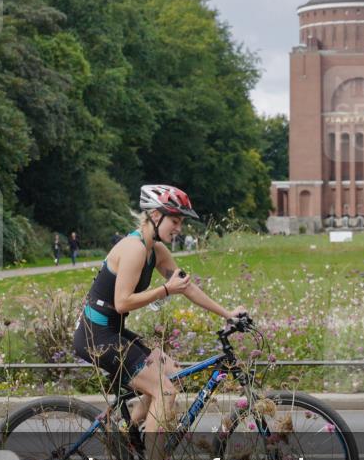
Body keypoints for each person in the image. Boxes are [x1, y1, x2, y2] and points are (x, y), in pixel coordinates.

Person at [72, 184, 246, 443]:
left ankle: (126, 440)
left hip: (112, 331)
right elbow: (122, 303)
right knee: (165, 392)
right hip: (95, 336)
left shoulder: (156, 250)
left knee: (173, 373)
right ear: (155, 216)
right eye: (175, 221)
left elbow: (186, 287)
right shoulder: (134, 249)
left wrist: (227, 313)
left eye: (181, 222)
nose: (179, 228)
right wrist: (165, 290)